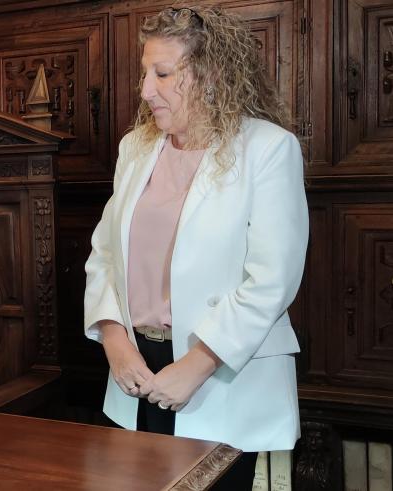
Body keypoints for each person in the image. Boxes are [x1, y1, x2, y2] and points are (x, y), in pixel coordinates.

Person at [83, 6, 307, 489]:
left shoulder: (268, 149)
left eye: (162, 73)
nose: (145, 90)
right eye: (146, 72)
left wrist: (196, 366)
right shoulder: (135, 148)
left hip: (219, 371)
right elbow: (103, 254)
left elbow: (273, 279)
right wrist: (115, 342)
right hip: (135, 370)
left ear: (211, 75)